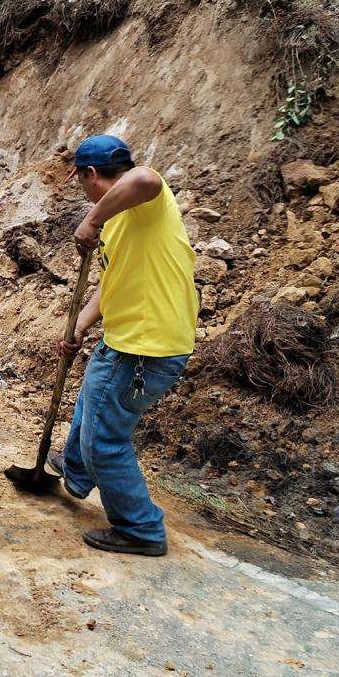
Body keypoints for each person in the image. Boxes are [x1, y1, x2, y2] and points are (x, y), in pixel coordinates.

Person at [48, 134, 197, 557]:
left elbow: (145, 178)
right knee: (91, 402)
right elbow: (111, 282)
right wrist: (78, 325)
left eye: (80, 181)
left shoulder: (145, 200)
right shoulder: (119, 221)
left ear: (90, 175)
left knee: (105, 437)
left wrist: (91, 219)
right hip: (129, 338)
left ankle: (140, 528)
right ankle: (75, 469)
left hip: (146, 347)